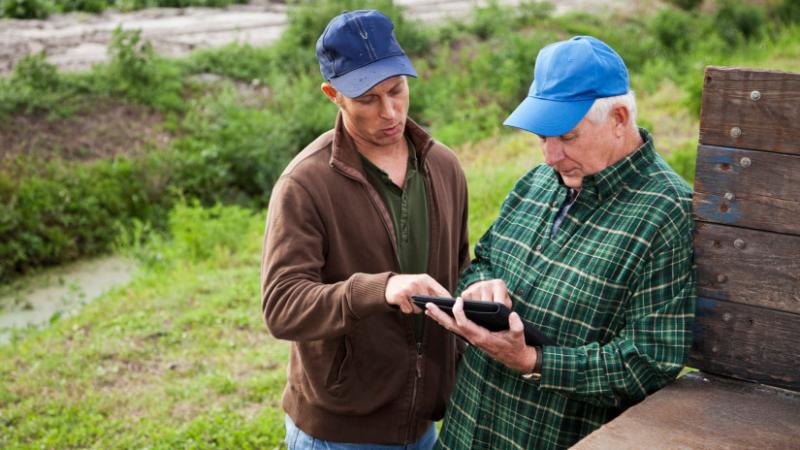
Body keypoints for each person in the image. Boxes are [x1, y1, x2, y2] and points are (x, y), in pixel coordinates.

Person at [424, 36, 696, 449]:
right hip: (465, 433)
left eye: (567, 136)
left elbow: (649, 362)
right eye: (542, 137)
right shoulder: (536, 182)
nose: (550, 155)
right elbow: (482, 262)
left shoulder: (667, 214)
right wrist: (479, 287)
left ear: (619, 118)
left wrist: (533, 362)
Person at [260, 9, 470, 449]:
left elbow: (459, 268)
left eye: (397, 90)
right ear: (332, 94)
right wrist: (381, 289)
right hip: (339, 433)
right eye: (367, 99)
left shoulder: (444, 166)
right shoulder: (304, 184)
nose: (389, 112)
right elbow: (282, 306)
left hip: (425, 426)